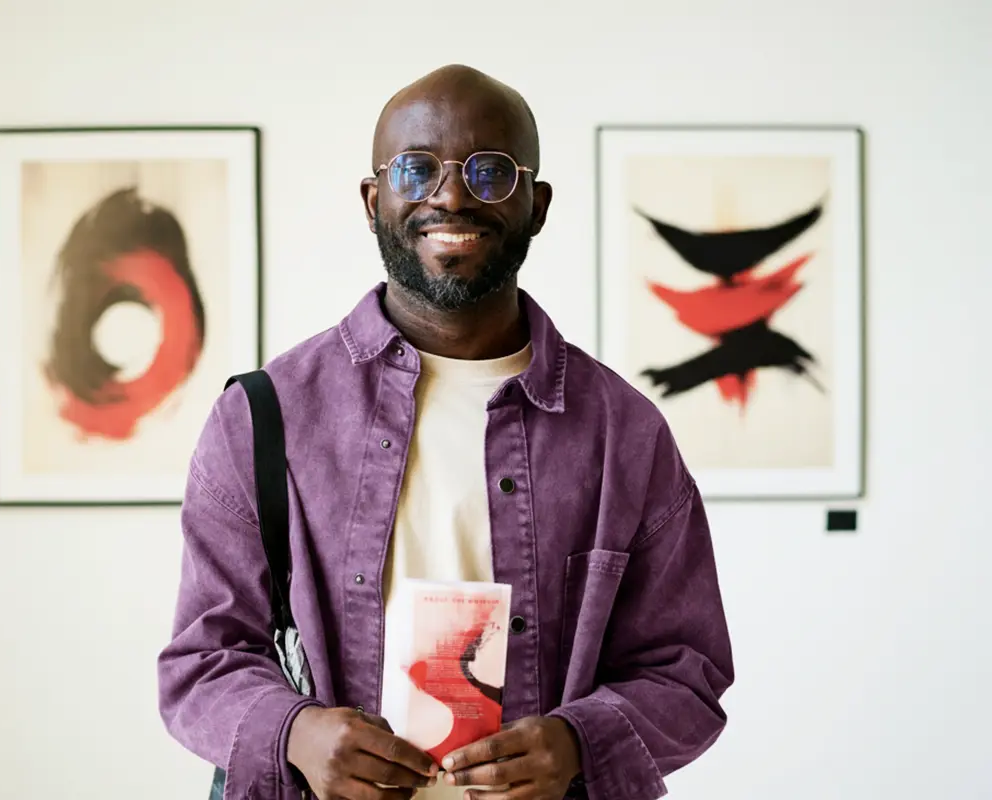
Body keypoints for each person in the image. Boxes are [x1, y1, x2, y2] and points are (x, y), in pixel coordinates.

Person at [157, 64, 734, 800]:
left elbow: (687, 672)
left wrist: (575, 743)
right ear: (374, 200)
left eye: (491, 172)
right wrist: (296, 734)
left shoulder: (624, 433)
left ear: (538, 204)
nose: (452, 194)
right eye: (416, 168)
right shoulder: (264, 417)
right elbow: (201, 660)